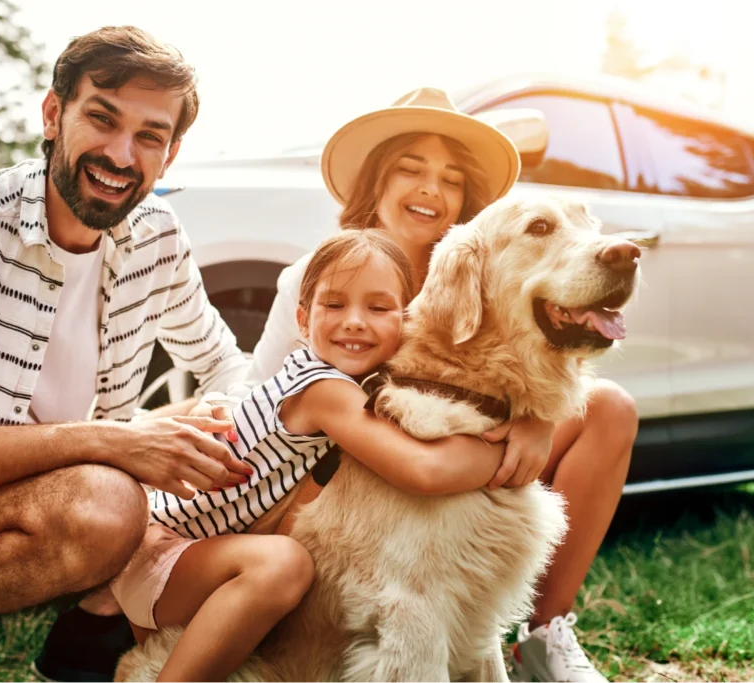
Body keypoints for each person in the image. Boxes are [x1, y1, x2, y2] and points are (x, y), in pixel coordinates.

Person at [0, 25, 256, 683]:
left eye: (149, 136)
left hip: (75, 496)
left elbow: (224, 361)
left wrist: (217, 427)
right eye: (102, 118)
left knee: (270, 455)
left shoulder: (156, 234)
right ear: (52, 113)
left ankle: (94, 621)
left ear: (170, 153)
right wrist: (115, 441)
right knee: (106, 503)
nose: (121, 154)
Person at [234, 87, 638, 683]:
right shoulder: (323, 274)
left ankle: (543, 639)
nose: (431, 189)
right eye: (410, 168)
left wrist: (537, 419)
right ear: (375, 184)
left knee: (611, 407)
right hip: (340, 472)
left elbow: (525, 367)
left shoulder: (488, 259)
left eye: (451, 179)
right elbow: (263, 396)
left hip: (453, 437)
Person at [111, 229, 509, 682]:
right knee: (285, 564)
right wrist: (509, 454)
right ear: (302, 321)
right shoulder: (323, 390)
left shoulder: (352, 381)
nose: (355, 321)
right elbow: (422, 470)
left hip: (198, 551)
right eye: (334, 305)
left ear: (406, 321)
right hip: (163, 551)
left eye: (378, 308)